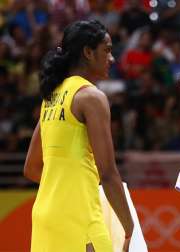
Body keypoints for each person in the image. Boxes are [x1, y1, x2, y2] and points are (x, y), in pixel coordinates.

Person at [24, 20, 134, 252]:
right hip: (80, 219)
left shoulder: (51, 98)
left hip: (45, 218)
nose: (112, 59)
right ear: (87, 52)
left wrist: (69, 186)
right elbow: (108, 173)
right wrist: (129, 227)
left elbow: (32, 168)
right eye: (107, 50)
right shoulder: (91, 98)